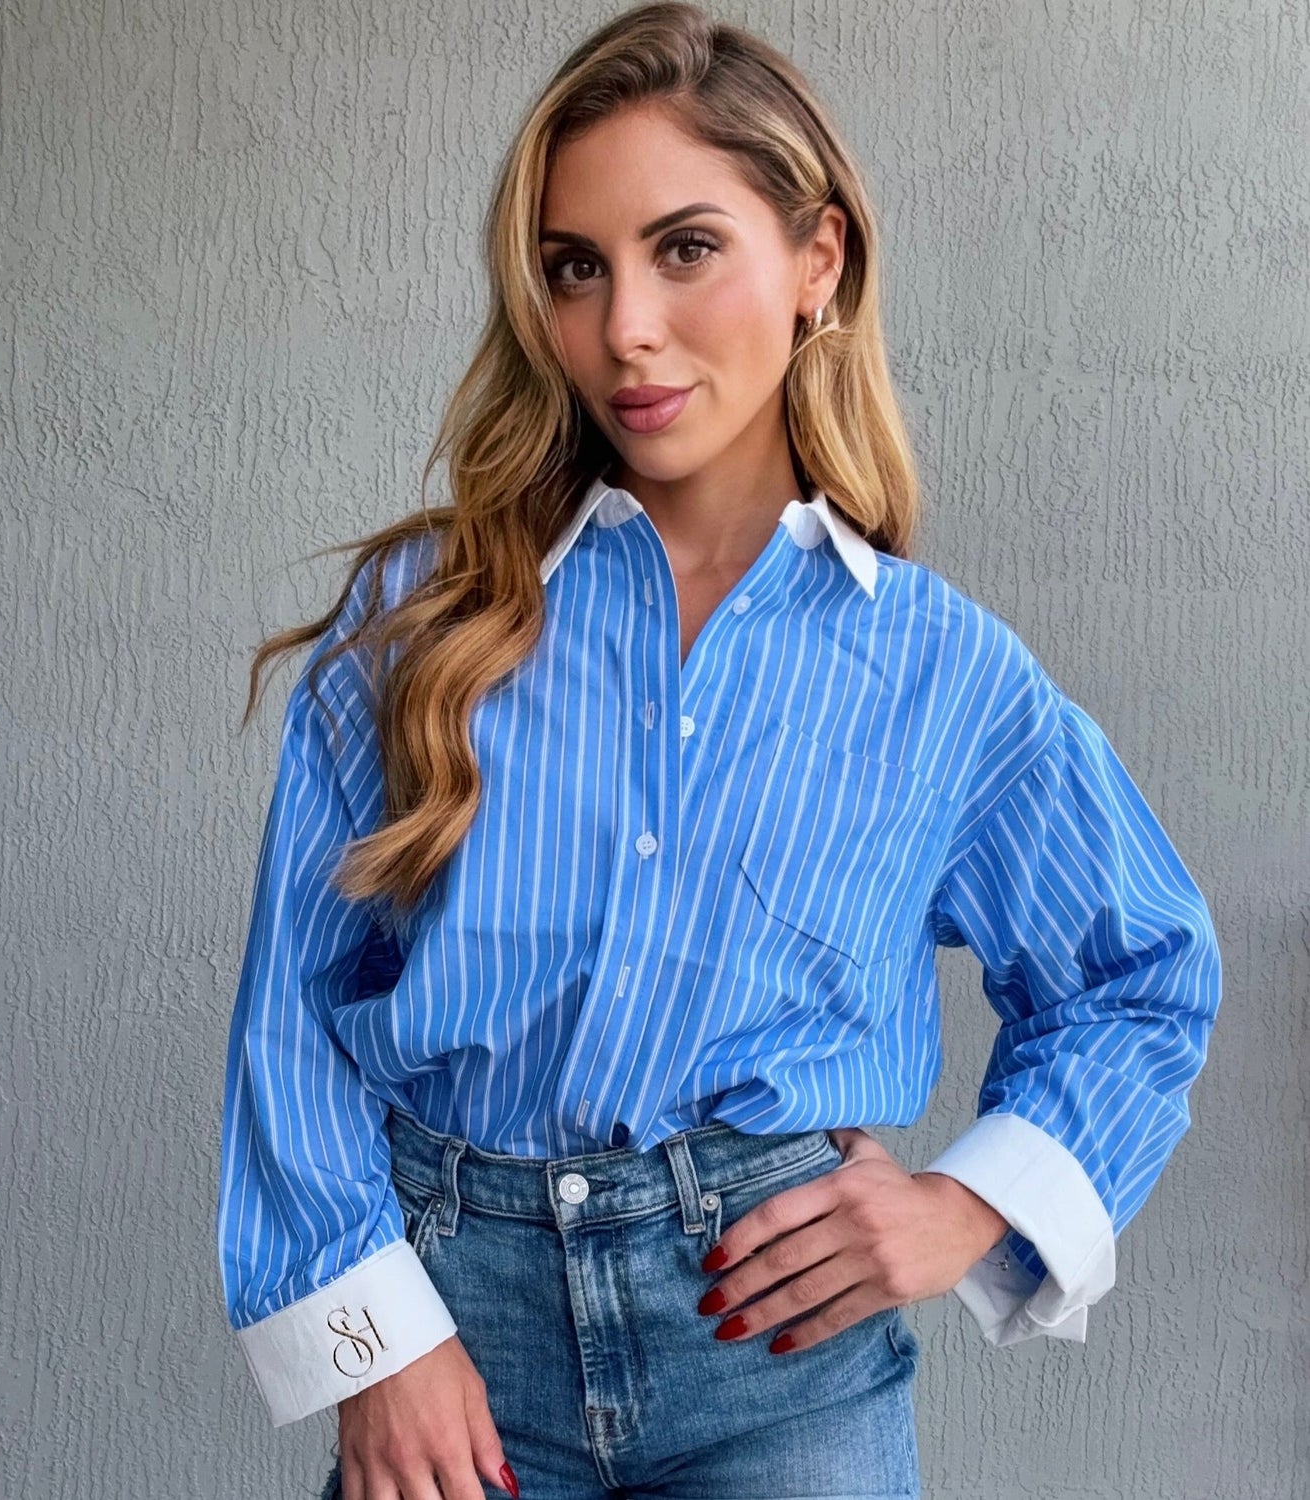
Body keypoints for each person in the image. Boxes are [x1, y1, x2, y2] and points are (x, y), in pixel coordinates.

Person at [215, 4, 1222, 1497]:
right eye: (576, 267)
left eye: (685, 248)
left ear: (817, 263)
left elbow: (1143, 974)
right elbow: (297, 1004)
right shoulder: (421, 623)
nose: (624, 326)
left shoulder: (941, 672)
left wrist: (969, 1206)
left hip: (776, 1372)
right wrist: (374, 1343)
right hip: (454, 1346)